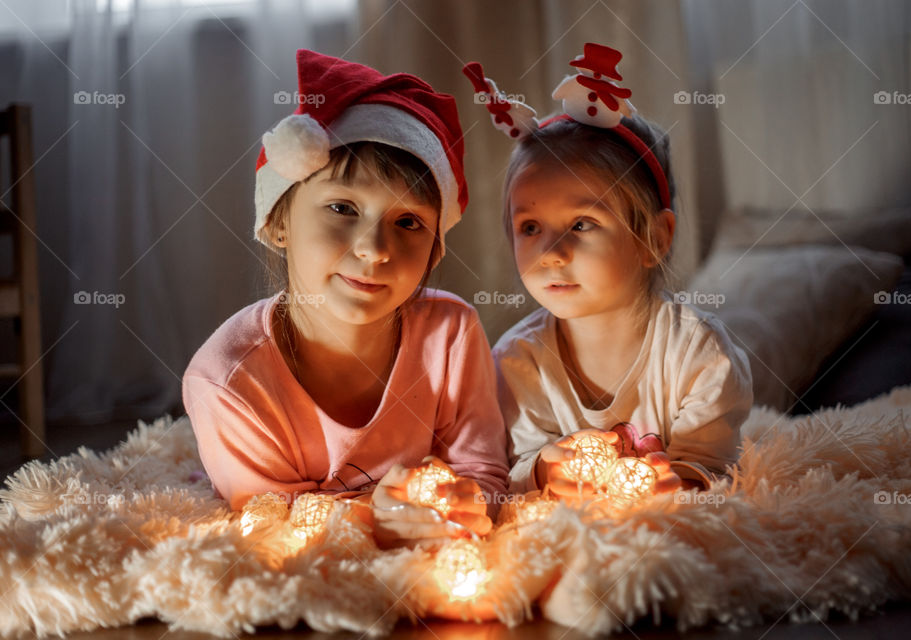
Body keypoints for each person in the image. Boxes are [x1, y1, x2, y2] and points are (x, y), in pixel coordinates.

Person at [183, 49, 508, 547]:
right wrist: (376, 518)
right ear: (279, 221)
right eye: (342, 207)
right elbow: (273, 527)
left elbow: (483, 475)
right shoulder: (227, 381)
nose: (375, 249)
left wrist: (462, 504)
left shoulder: (451, 333)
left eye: (408, 222)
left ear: (434, 247)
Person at [465, 43, 753, 500]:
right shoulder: (516, 364)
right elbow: (508, 473)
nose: (551, 253)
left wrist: (678, 480)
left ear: (654, 239)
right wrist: (542, 471)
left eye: (582, 224)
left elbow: (714, 470)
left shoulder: (699, 354)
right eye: (530, 227)